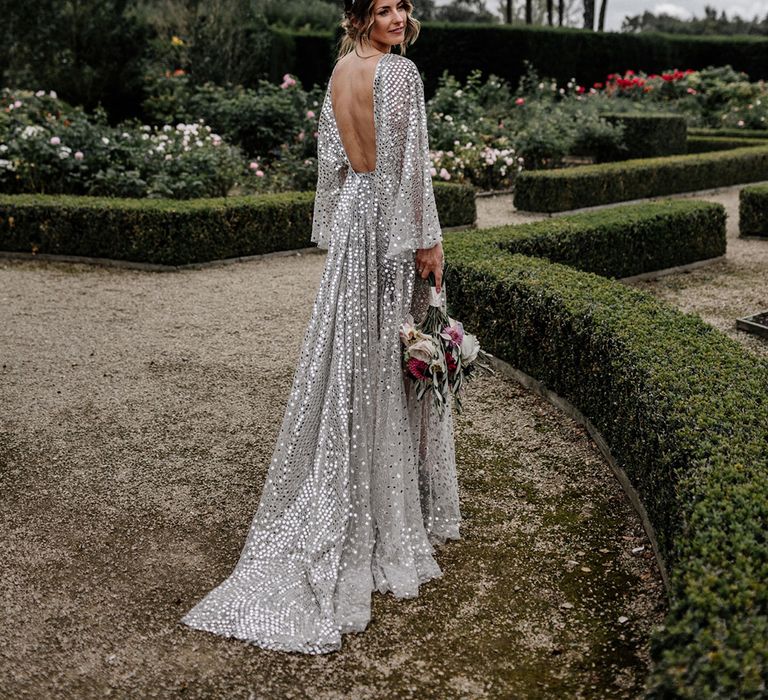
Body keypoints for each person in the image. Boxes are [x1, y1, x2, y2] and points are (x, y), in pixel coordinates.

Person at [180, 0, 462, 654]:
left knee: (356, 356)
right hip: (392, 223)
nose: (399, 17)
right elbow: (412, 165)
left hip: (355, 223)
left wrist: (337, 236)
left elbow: (331, 170)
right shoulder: (401, 73)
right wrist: (428, 242)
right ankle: (388, 508)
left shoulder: (337, 74)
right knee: (395, 355)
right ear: (364, 15)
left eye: (404, 6)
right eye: (386, 8)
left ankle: (368, 484)